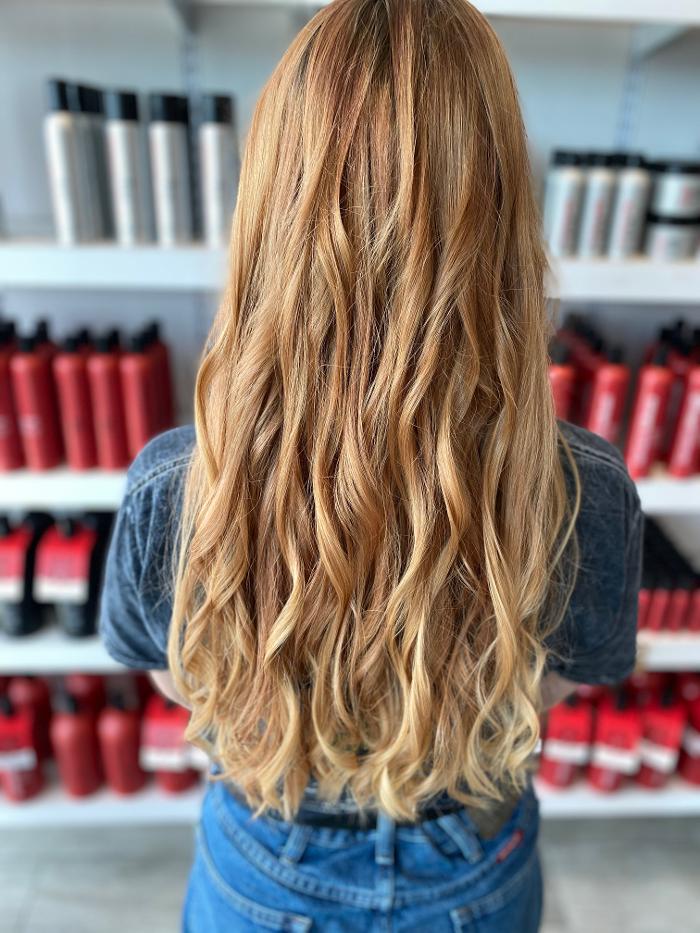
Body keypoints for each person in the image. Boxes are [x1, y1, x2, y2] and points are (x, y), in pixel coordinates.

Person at [99, 1, 642, 929]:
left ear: (270, 209)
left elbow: (172, 671)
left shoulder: (176, 484)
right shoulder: (584, 489)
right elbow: (560, 680)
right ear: (503, 209)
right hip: (471, 864)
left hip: (263, 860)